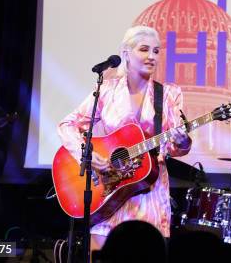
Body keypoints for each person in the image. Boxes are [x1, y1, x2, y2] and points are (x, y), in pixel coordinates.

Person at [57, 25, 191, 250]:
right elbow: (67, 125)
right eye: (144, 49)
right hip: (108, 191)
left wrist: (182, 141)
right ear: (126, 54)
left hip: (149, 191)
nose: (151, 56)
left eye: (156, 51)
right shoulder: (107, 90)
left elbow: (178, 146)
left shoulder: (168, 94)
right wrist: (87, 153)